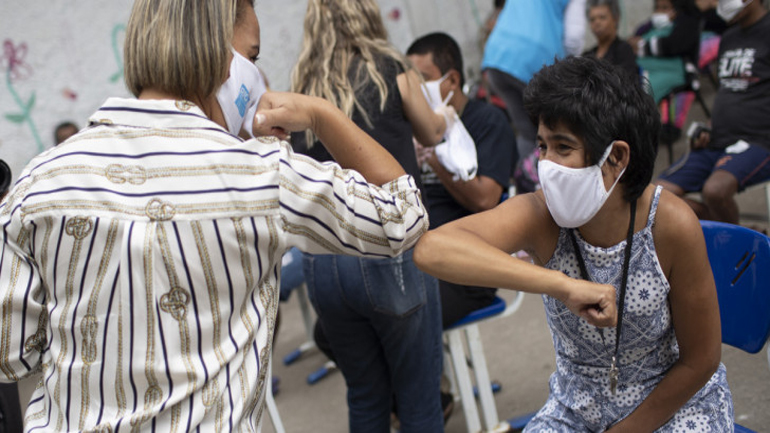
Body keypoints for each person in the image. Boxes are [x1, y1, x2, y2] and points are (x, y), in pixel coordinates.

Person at [0, 1, 431, 432]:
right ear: (220, 53)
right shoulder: (261, 174)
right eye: (253, 56)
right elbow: (402, 216)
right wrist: (323, 113)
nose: (258, 76)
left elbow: (10, 354)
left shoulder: (40, 180)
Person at [414, 56, 733, 431]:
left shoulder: (671, 224)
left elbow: (701, 360)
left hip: (674, 404)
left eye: (562, 147)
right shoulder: (540, 214)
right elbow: (431, 249)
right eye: (541, 146)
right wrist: (562, 285)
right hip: (577, 407)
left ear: (615, 157)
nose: (545, 164)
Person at [289, 1, 449, 431]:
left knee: (365, 397)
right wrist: (445, 115)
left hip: (323, 261)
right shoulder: (392, 69)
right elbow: (433, 132)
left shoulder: (303, 85)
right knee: (419, 398)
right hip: (391, 249)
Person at [406, 32, 516, 327]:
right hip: (420, 256)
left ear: (452, 80)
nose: (416, 89)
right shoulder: (413, 126)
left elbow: (485, 199)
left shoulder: (487, 121)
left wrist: (432, 157)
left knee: (399, 318)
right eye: (410, 82)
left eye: (423, 79)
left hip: (466, 270)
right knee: (336, 326)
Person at [657, 0, 770, 225]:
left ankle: (735, 249)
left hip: (757, 141)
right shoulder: (729, 38)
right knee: (657, 196)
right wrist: (708, 127)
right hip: (716, 142)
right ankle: (721, 226)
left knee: (715, 190)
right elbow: (726, 92)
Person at [481, 0, 587, 189]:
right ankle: (555, 192)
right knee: (557, 130)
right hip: (535, 59)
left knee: (527, 131)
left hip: (496, 56)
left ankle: (524, 189)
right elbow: (574, 37)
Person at [629, 0, 702, 103]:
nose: (660, 12)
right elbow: (635, 36)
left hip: (671, 74)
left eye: (665, 8)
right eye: (657, 8)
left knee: (640, 99)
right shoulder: (651, 28)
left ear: (676, 10)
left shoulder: (684, 25)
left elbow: (672, 46)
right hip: (642, 72)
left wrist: (641, 46)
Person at [583, 0, 639, 78]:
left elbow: (626, 84)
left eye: (602, 17)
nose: (597, 23)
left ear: (615, 19)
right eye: (592, 19)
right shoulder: (586, 56)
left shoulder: (624, 50)